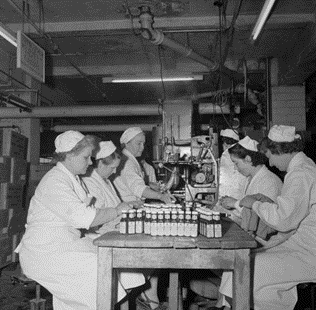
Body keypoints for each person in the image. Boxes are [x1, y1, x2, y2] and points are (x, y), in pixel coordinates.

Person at [16, 131, 131, 310]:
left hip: (65, 243)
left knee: (115, 260)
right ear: (69, 155)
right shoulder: (55, 181)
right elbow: (84, 217)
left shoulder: (72, 179)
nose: (91, 162)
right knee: (100, 270)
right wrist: (116, 211)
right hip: (45, 251)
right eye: (86, 157)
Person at [239, 125, 316, 310]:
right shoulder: (305, 166)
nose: (271, 164)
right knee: (249, 265)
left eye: (270, 157)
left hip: (308, 251)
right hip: (300, 245)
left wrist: (255, 204)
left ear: (280, 151)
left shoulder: (300, 173)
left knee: (248, 270)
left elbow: (283, 220)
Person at [216, 135, 283, 309]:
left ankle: (232, 304)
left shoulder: (268, 181)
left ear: (248, 159)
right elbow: (251, 211)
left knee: (235, 260)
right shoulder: (253, 178)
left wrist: (233, 209)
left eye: (237, 164)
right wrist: (231, 209)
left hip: (269, 240)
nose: (236, 169)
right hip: (257, 234)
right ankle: (226, 304)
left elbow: (263, 220)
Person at [81, 141, 146, 304]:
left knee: (133, 275)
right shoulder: (89, 182)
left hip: (111, 231)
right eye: (112, 167)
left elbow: (115, 205)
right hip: (97, 236)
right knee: (126, 276)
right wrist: (118, 215)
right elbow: (94, 219)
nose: (115, 171)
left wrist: (128, 207)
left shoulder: (105, 179)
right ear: (100, 163)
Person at [113, 126, 174, 203]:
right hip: (128, 207)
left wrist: (149, 185)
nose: (142, 147)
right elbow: (138, 188)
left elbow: (131, 183)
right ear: (126, 144)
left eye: (143, 144)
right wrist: (160, 196)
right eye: (139, 143)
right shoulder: (127, 163)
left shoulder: (130, 159)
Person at [218, 129, 248, 200]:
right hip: (239, 193)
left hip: (231, 194)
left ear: (225, 143)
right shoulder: (239, 151)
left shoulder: (227, 154)